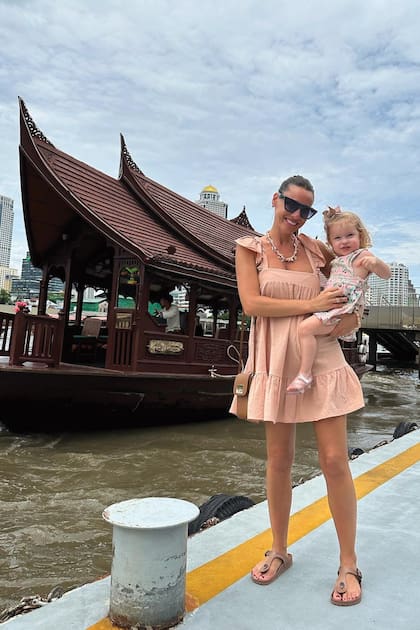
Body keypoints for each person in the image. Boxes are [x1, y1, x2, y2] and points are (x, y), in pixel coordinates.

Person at [230, 175, 365, 606]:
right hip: (274, 361)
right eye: (292, 205)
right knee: (279, 461)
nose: (297, 216)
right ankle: (279, 550)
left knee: (334, 460)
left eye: (306, 210)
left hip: (320, 358)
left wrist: (351, 318)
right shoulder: (249, 249)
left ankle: (348, 562)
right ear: (276, 199)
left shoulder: (315, 249)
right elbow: (252, 304)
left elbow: (350, 275)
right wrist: (310, 305)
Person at [287, 206, 391, 394]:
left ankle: (304, 374)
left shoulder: (362, 255)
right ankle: (307, 372)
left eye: (349, 235)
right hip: (331, 306)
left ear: (360, 236)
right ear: (331, 242)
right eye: (337, 238)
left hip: (342, 309)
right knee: (307, 332)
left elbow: (386, 274)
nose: (344, 241)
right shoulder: (336, 260)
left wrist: (376, 264)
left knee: (304, 329)